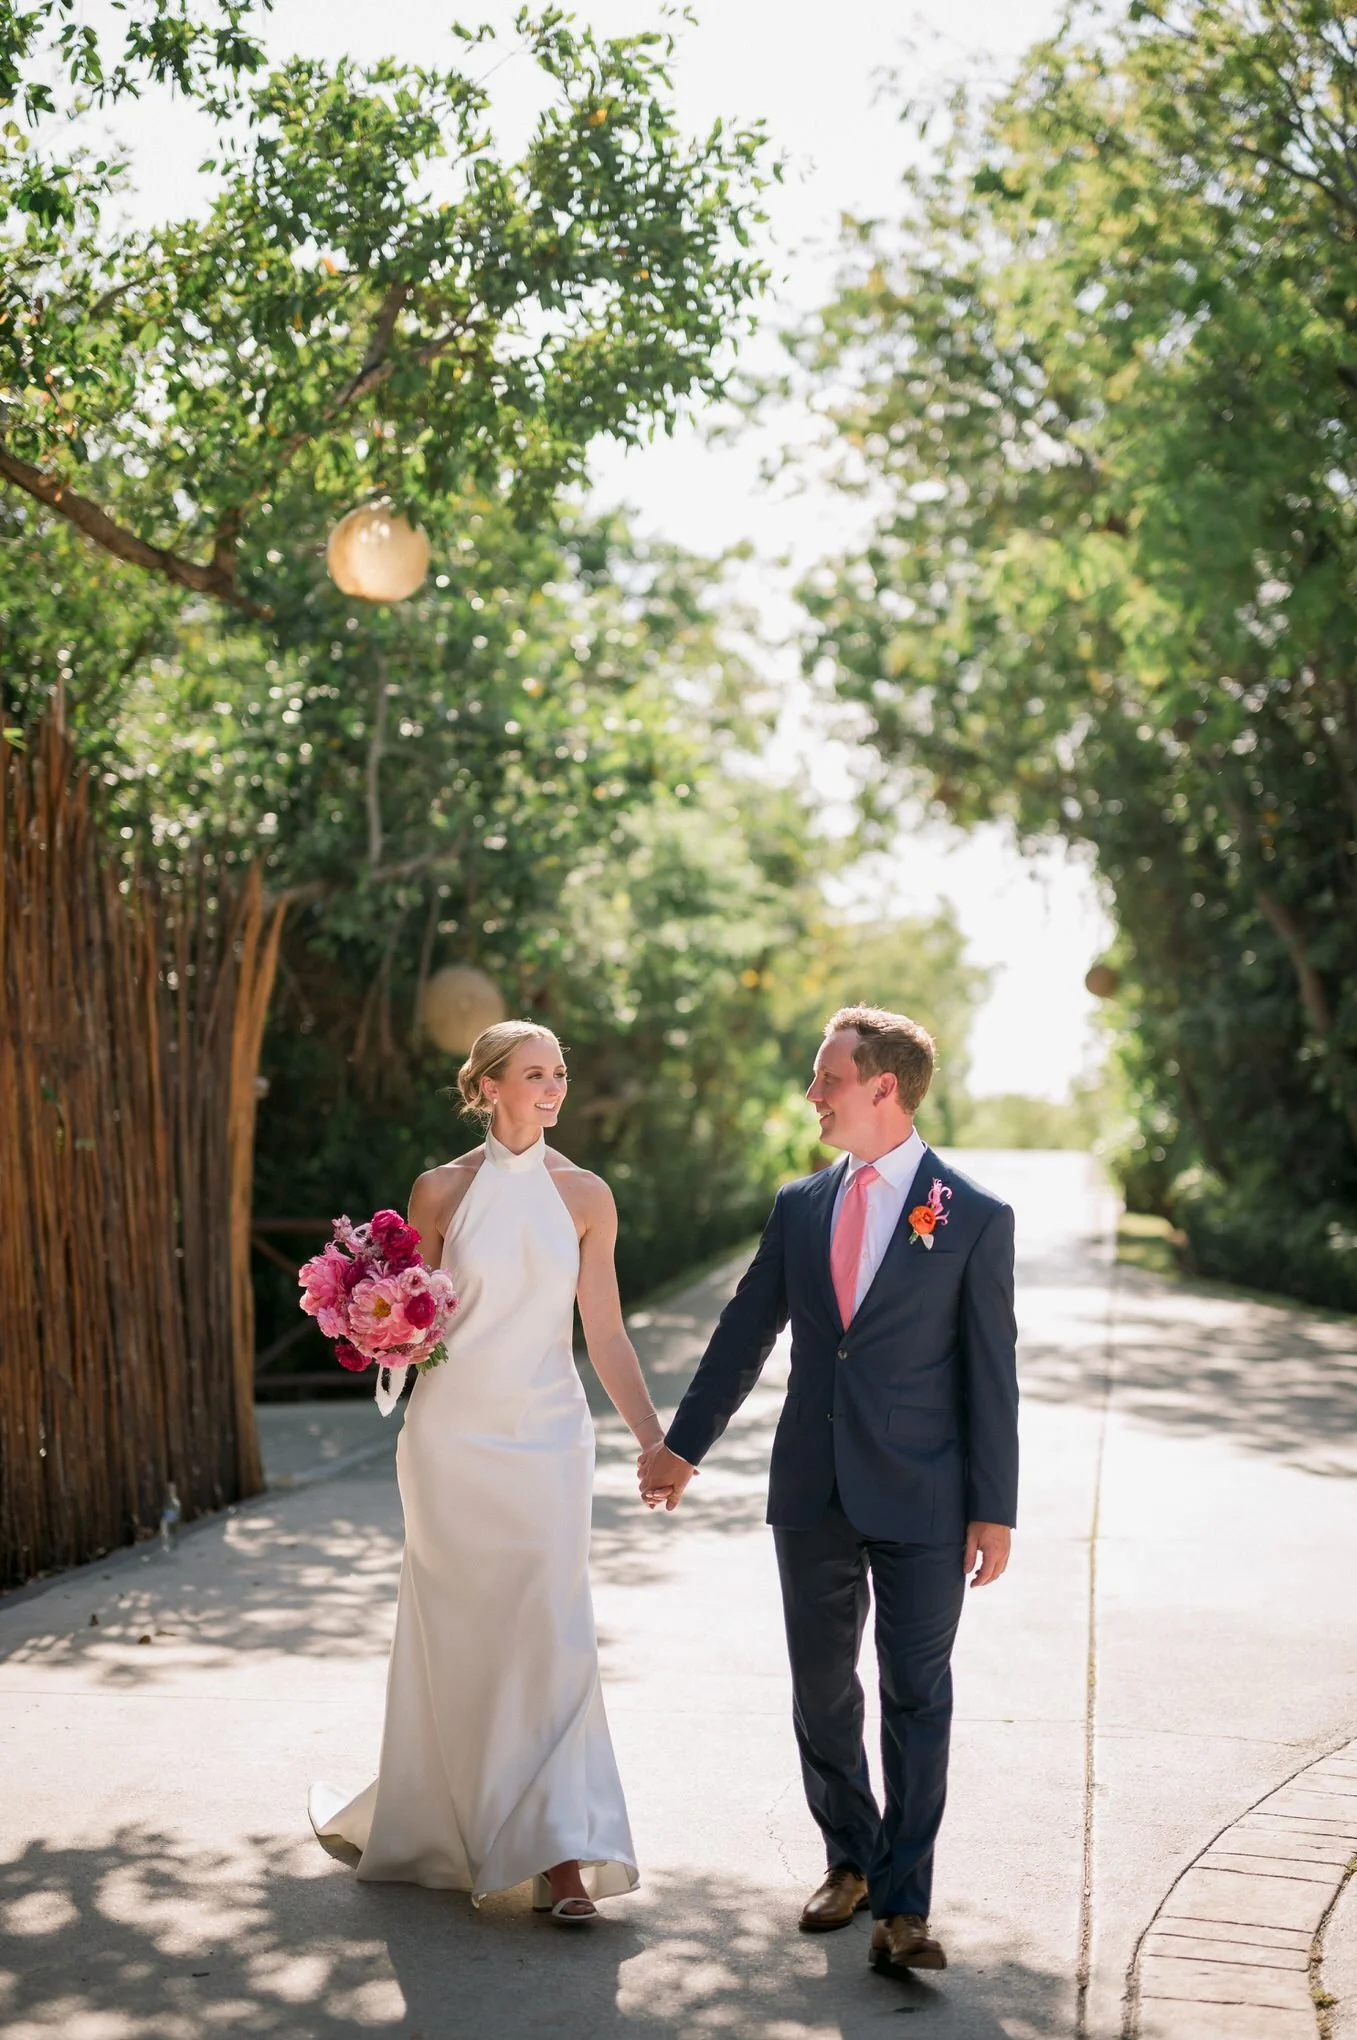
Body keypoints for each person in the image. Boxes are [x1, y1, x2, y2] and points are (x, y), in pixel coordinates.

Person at [638, 1005, 1018, 1980]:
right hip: (812, 1490)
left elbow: (989, 1373)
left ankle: (903, 1908)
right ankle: (849, 1856)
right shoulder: (799, 1206)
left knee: (915, 1695)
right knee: (821, 1692)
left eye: (827, 1080)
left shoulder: (970, 1215)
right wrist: (682, 1447)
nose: (813, 1095)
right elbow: (742, 1333)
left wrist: (994, 1506)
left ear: (882, 1087)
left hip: (927, 1502)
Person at [310, 1020, 664, 1924]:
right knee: (458, 1629)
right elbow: (411, 1318)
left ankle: (561, 1856)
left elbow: (607, 1332)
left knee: (552, 1627)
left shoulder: (585, 1196)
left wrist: (652, 1439)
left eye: (559, 1074)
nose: (553, 1088)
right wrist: (375, 1326)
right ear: (488, 1087)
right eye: (534, 1074)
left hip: (546, 1437)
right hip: (449, 1440)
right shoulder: (439, 1190)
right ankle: (446, 1823)